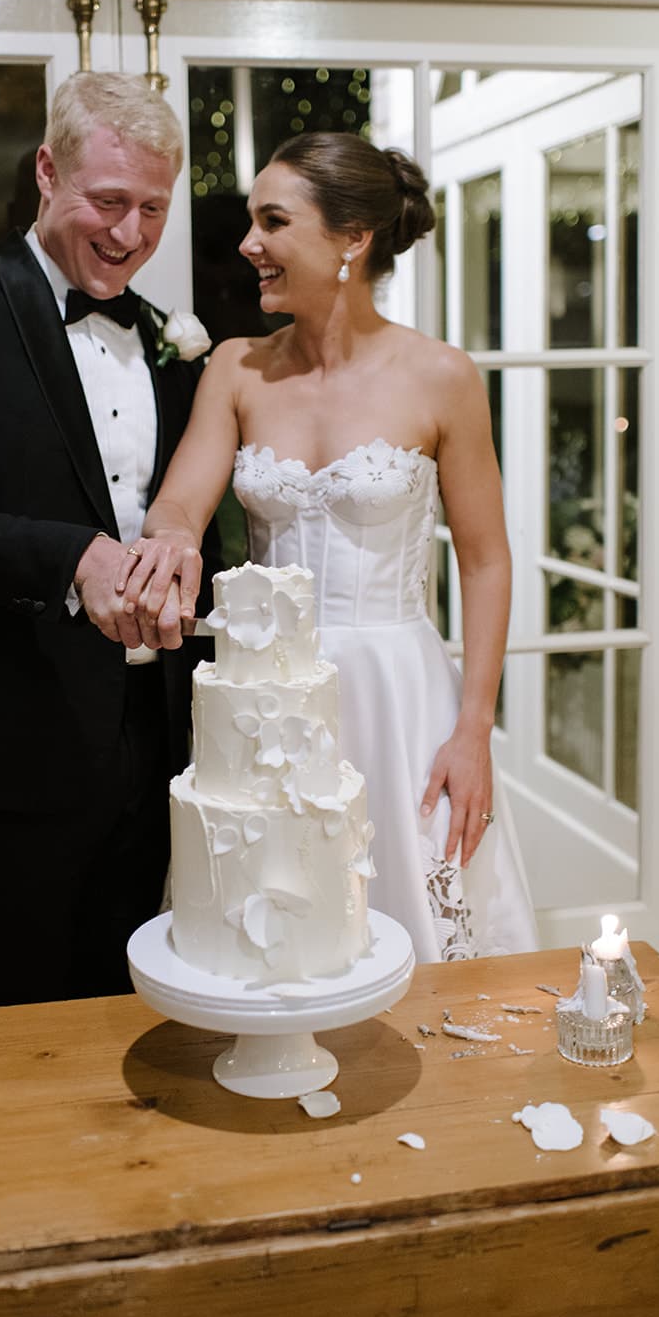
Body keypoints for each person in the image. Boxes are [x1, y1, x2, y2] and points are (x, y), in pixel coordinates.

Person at [115, 131, 537, 962]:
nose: (248, 245)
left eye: (273, 221)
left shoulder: (440, 376)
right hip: (270, 703)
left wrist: (473, 728)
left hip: (400, 693)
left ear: (353, 238)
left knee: (416, 924)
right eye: (250, 221)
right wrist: (168, 542)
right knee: (275, 935)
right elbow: (178, 503)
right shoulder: (236, 368)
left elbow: (486, 559)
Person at [0, 71, 217, 1008]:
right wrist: (76, 557)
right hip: (7, 748)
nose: (130, 234)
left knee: (132, 1006)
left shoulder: (165, 336)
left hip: (152, 750)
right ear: (44, 171)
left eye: (153, 208)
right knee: (11, 1021)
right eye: (107, 202)